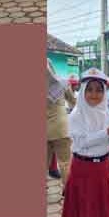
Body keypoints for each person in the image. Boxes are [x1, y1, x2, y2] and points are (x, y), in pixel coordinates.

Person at [62, 68, 109, 217]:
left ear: (104, 92)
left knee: (101, 207)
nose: (94, 94)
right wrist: (106, 132)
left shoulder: (106, 114)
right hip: (82, 168)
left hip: (102, 168)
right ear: (83, 91)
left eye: (99, 90)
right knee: (82, 207)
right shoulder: (76, 115)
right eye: (89, 89)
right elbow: (82, 142)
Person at [47, 61, 75, 191]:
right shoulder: (62, 83)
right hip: (61, 129)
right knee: (65, 162)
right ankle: (67, 190)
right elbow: (73, 102)